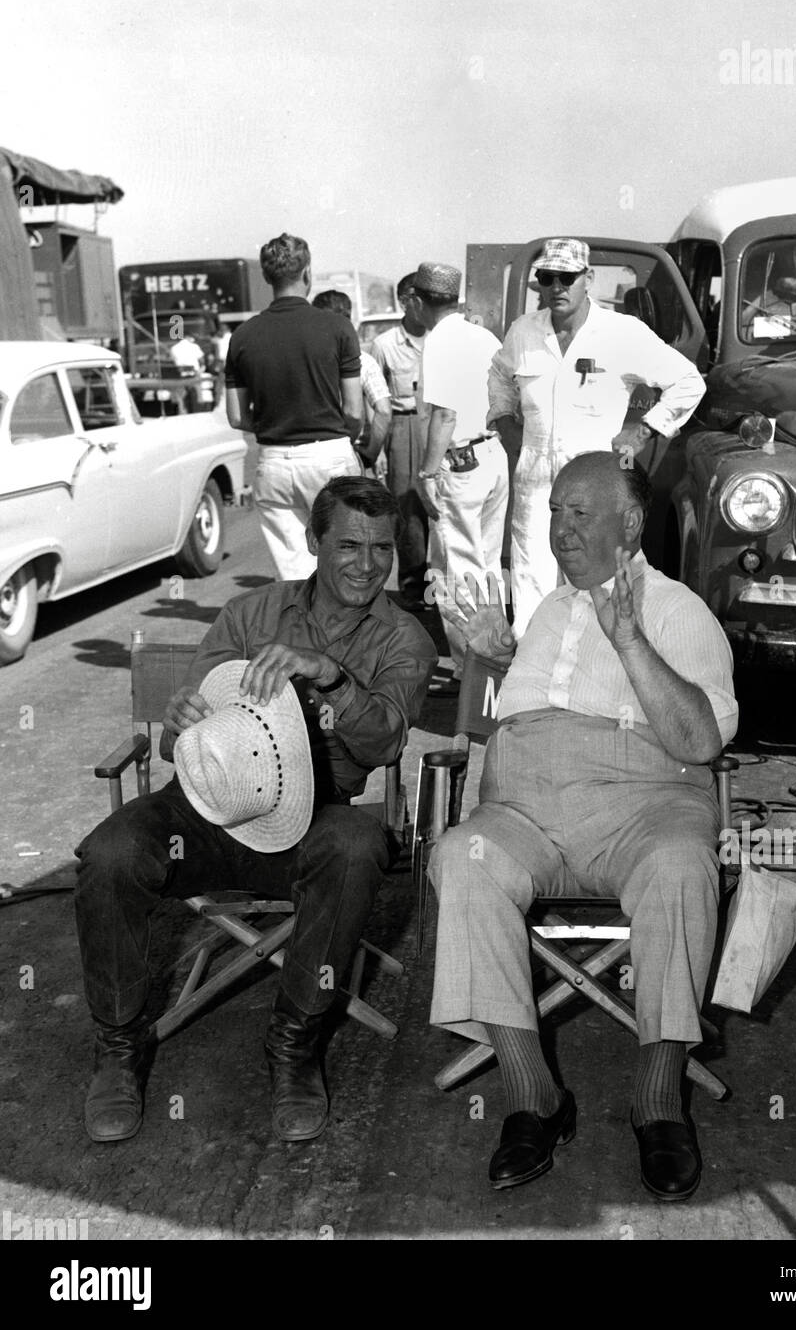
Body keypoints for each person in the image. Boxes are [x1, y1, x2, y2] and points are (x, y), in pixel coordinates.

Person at [74, 477, 437, 1146]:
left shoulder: (404, 639)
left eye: (382, 548)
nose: (366, 564)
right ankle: (119, 1046)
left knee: (356, 847)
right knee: (109, 852)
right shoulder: (252, 613)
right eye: (349, 545)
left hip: (312, 819)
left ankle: (294, 1046)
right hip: (204, 813)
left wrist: (329, 675)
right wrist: (179, 720)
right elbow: (183, 733)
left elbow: (385, 739)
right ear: (313, 543)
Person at [428, 452, 738, 1200]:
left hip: (638, 808)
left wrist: (629, 640)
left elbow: (700, 744)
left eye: (579, 513)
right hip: (523, 808)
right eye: (554, 511)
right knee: (462, 859)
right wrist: (492, 660)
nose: (559, 529)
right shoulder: (546, 608)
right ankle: (533, 1094)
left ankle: (658, 1101)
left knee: (679, 868)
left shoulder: (675, 610)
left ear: (629, 524)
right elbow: (495, 720)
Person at [488, 238, 706, 636]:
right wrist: (503, 421)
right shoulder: (524, 332)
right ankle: (529, 678)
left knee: (592, 586)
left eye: (567, 277)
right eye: (547, 277)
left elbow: (688, 382)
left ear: (588, 278)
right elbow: (500, 373)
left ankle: (591, 684)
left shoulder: (621, 332)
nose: (557, 287)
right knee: (531, 583)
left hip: (595, 486)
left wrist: (643, 431)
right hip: (536, 482)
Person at [225, 233, 365, 580]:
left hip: (273, 462)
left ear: (267, 278)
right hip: (329, 454)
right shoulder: (337, 327)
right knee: (345, 564)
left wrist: (277, 423)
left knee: (294, 573)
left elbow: (236, 416)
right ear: (307, 273)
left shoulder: (242, 336)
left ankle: (305, 632)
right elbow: (354, 411)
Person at [412, 261, 509, 691]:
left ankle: (475, 674)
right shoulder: (482, 335)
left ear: (417, 300)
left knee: (455, 576)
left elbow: (445, 414)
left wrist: (427, 473)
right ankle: (496, 661)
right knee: (487, 569)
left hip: (461, 464)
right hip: (492, 455)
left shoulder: (440, 341)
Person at [369, 273, 430, 607]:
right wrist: (378, 450)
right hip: (403, 428)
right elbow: (373, 399)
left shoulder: (442, 337)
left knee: (448, 504)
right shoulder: (384, 344)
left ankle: (450, 583)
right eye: (416, 297)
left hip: (441, 423)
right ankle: (413, 584)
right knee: (409, 509)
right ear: (404, 300)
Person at [311, 288, 392, 476]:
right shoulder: (364, 361)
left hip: (311, 453)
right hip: (352, 454)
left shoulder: (306, 362)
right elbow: (383, 410)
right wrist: (372, 452)